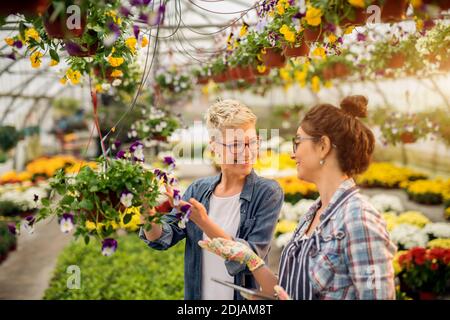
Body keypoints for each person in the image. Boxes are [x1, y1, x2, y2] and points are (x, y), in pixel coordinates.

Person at [200, 95, 397, 300]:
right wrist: (253, 262)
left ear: (323, 146)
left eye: (297, 142)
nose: (293, 154)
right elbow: (294, 290)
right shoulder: (313, 215)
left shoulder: (358, 220)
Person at [139, 99, 283, 300]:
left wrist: (203, 222)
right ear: (214, 147)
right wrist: (146, 207)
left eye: (252, 142)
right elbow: (161, 238)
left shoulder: (267, 193)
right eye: (235, 144)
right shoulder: (198, 190)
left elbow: (250, 258)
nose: (246, 152)